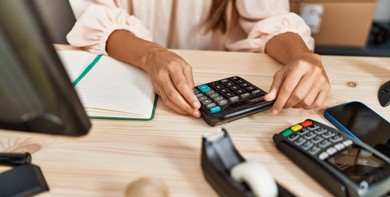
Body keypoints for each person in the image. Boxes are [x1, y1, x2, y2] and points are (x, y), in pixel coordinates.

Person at [67, 0, 330, 118]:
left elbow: (269, 20)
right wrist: (151, 54)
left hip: (209, 88)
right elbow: (97, 15)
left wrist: (304, 56)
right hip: (134, 77)